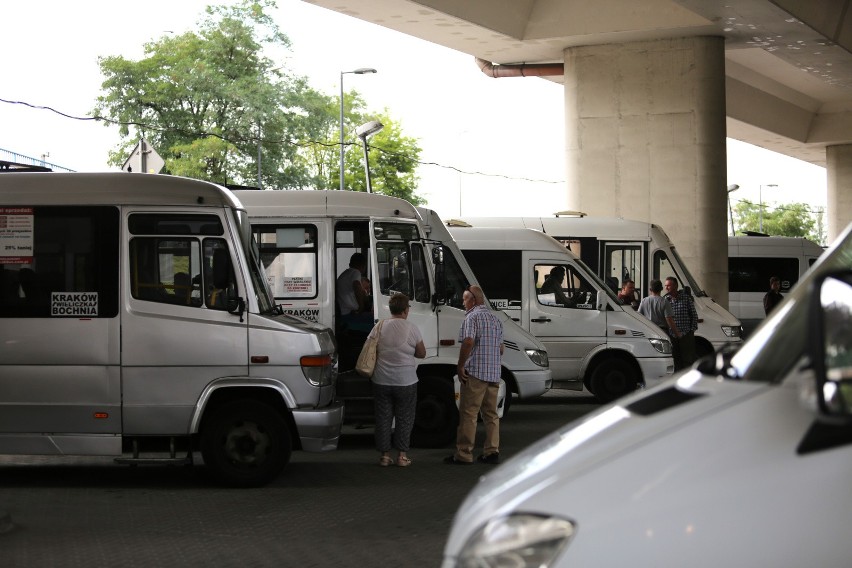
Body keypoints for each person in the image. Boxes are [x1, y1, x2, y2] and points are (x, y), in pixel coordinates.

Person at [445, 285, 504, 466]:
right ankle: (492, 452)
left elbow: (468, 341)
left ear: (474, 300)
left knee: (469, 413)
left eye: (464, 299)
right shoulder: (495, 320)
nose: (463, 303)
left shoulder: (472, 317)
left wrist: (461, 364)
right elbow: (501, 349)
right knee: (491, 415)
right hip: (493, 374)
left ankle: (464, 454)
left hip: (476, 373)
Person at [370, 293, 426, 467]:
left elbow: (370, 348)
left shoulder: (379, 326)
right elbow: (422, 353)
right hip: (406, 381)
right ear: (404, 310)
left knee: (383, 418)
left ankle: (385, 456)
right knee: (405, 418)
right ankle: (402, 456)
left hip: (381, 380)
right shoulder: (412, 328)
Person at [664, 276, 698, 370]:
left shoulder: (686, 298)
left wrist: (691, 330)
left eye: (668, 286)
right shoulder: (666, 300)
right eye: (665, 286)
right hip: (672, 335)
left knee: (688, 360)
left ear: (675, 286)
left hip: (686, 334)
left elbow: (694, 315)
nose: (666, 288)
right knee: (675, 359)